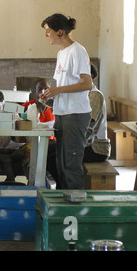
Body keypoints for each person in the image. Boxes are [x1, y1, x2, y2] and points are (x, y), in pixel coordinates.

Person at [40, 13, 93, 189]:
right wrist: (50, 96)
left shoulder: (78, 51)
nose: (46, 35)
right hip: (62, 113)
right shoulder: (62, 53)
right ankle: (63, 207)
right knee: (61, 164)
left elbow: (87, 84)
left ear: (60, 31)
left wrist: (57, 90)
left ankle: (76, 209)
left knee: (71, 164)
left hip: (76, 114)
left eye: (48, 31)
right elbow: (65, 86)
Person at [83, 64, 111, 163]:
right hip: (88, 145)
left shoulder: (94, 95)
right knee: (54, 151)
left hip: (96, 149)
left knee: (58, 156)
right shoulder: (85, 94)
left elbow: (88, 125)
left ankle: (71, 179)